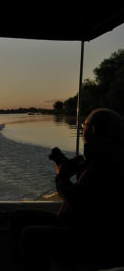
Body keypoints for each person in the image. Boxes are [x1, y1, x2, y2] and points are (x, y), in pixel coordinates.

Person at [9, 108, 124, 271]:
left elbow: (78, 200)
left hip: (93, 238)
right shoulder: (107, 154)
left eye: (84, 125)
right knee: (18, 217)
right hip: (82, 224)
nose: (81, 130)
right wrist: (70, 167)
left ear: (93, 130)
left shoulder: (106, 162)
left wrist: (61, 177)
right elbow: (91, 191)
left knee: (30, 236)